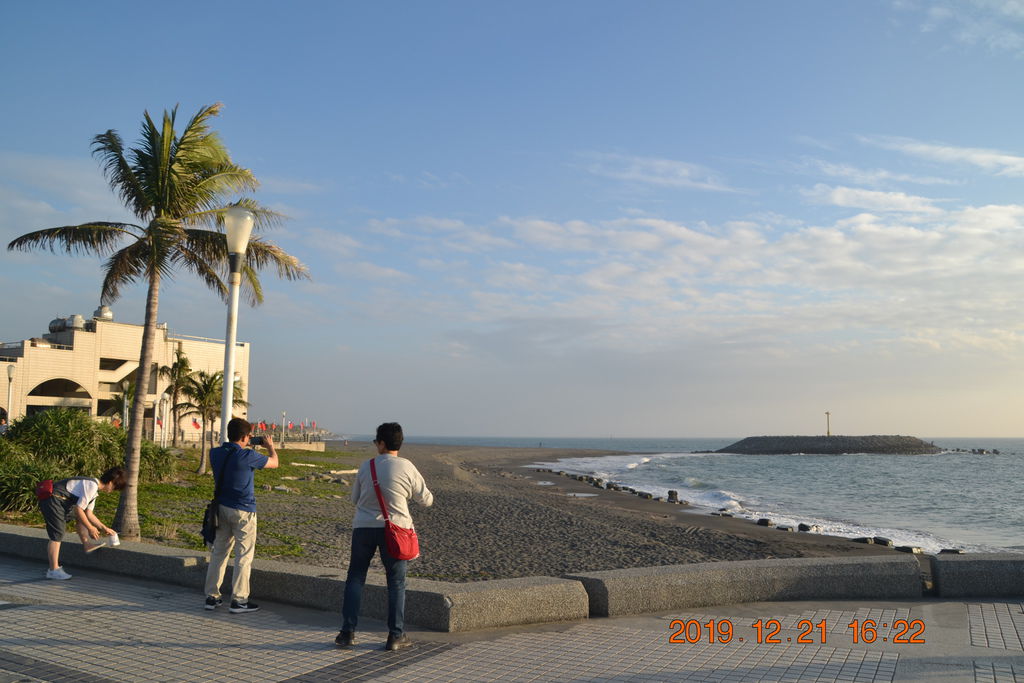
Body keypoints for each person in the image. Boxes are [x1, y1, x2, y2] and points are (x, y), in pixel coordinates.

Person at [337, 422, 433, 651]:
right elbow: (427, 500)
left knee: (356, 579)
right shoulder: (407, 467)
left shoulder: (366, 466)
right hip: (396, 530)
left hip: (363, 528)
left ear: (381, 443)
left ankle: (347, 633)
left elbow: (354, 499)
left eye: (375, 442)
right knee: (396, 584)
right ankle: (395, 635)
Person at [203, 418, 278, 614]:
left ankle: (212, 596)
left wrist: (247, 445)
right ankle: (239, 600)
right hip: (244, 510)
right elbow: (274, 463)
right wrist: (270, 447)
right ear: (246, 437)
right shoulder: (247, 456)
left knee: (219, 553)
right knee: (243, 555)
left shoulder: (216, 453)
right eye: (248, 437)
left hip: (222, 509)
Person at [39, 466, 127, 580]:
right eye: (115, 488)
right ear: (110, 483)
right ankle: (53, 570)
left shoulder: (94, 492)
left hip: (61, 502)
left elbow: (89, 514)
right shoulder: (91, 486)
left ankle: (87, 545)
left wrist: (105, 528)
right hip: (53, 500)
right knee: (57, 534)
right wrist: (90, 528)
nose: (112, 491)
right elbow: (78, 510)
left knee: (81, 519)